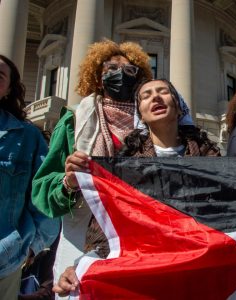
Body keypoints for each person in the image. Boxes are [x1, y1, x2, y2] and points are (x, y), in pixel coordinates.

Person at [52, 79, 221, 297]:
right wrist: (84, 266)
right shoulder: (125, 166)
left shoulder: (211, 159)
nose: (156, 97)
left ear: (179, 107)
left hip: (197, 271)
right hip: (148, 271)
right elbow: (108, 227)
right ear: (140, 113)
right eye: (146, 95)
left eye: (163, 92)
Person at [31, 40, 153, 295]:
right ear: (97, 78)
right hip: (81, 237)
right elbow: (42, 191)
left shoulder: (152, 124)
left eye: (130, 71)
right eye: (111, 68)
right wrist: (67, 182)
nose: (121, 75)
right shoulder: (73, 121)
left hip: (140, 237)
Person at [0, 55, 60, 300]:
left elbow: (45, 198)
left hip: (4, 259)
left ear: (8, 89)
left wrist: (29, 247)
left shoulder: (27, 137)